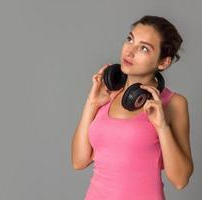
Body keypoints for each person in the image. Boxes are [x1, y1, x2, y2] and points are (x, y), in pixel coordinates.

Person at [71, 15, 194, 200]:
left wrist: (162, 127)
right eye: (130, 39)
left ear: (163, 62)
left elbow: (180, 180)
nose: (130, 51)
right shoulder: (107, 96)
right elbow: (79, 161)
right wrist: (91, 104)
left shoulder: (173, 103)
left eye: (143, 48)